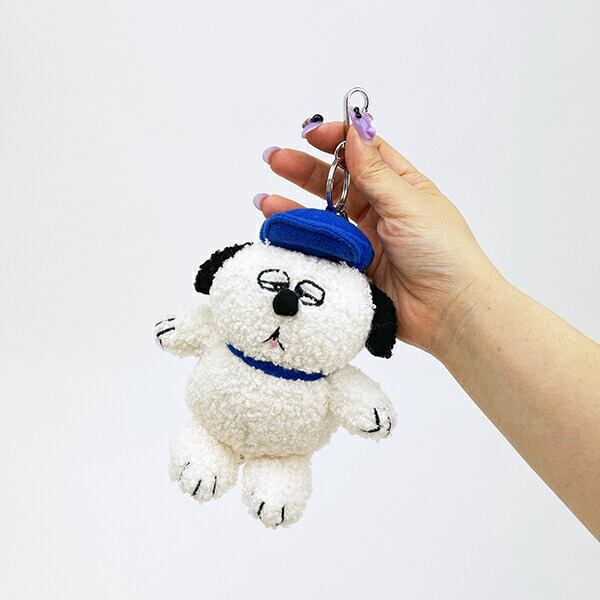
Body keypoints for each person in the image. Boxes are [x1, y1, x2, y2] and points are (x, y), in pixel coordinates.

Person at [253, 117, 600, 539]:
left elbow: (351, 392)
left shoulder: (359, 312)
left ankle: (276, 472)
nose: (286, 301)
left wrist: (456, 307)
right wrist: (456, 310)